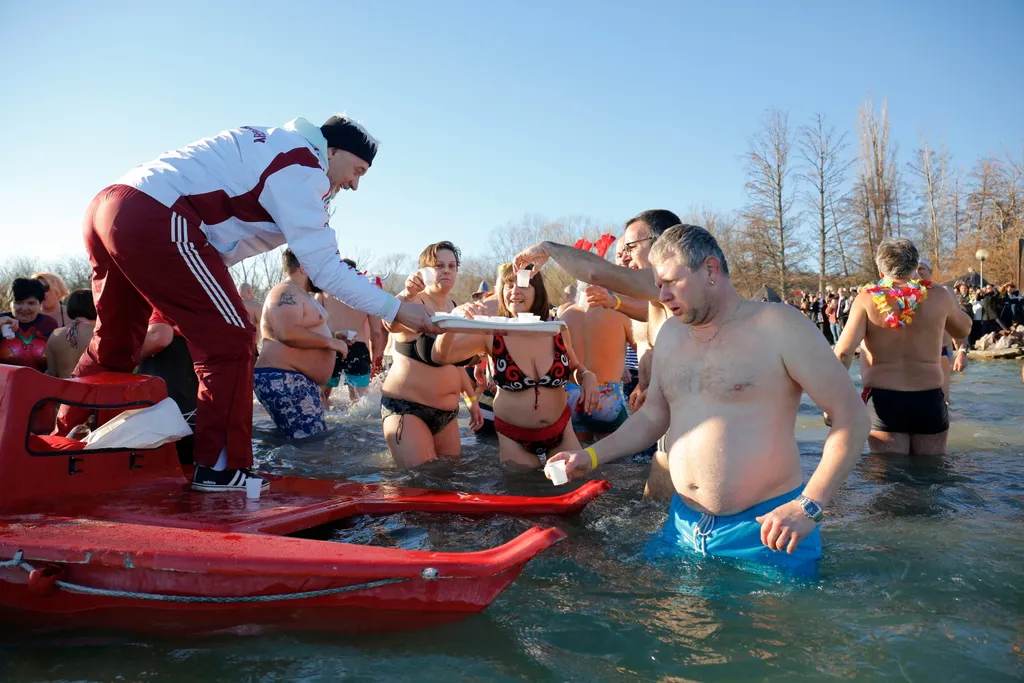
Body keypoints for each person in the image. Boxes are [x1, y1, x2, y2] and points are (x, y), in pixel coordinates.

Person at [67, 113, 438, 493]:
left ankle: (56, 435)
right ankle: (220, 470)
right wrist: (397, 309)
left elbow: (206, 247)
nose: (355, 184)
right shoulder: (304, 166)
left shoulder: (275, 144)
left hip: (111, 204)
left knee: (113, 342)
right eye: (357, 170)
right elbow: (326, 268)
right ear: (333, 150)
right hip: (157, 214)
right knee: (231, 340)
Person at [547, 225, 870, 574]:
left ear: (711, 270)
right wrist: (591, 456)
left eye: (671, 282)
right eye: (658, 285)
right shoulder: (670, 334)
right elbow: (653, 415)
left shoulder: (777, 326)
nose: (663, 294)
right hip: (682, 529)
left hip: (770, 531)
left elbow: (851, 417)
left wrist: (810, 505)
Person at [513, 209, 681, 498]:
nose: (625, 257)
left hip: (576, 396)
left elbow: (597, 272)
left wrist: (548, 249)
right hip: (623, 403)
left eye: (630, 248)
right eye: (621, 251)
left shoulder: (669, 289)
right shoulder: (651, 302)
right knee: (628, 483)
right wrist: (648, 385)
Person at [433, 266, 598, 468]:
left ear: (537, 291)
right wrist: (453, 322)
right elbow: (441, 356)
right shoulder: (491, 332)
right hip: (514, 438)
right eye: (509, 285)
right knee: (526, 492)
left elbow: (574, 369)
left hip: (561, 431)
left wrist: (587, 375)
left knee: (574, 487)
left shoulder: (556, 328)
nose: (515, 291)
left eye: (523, 285)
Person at [833, 239, 973, 455]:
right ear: (916, 266)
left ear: (881, 269)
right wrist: (948, 303)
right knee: (930, 476)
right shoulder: (939, 295)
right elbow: (963, 330)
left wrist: (833, 402)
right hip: (929, 397)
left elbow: (843, 352)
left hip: (883, 399)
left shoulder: (866, 299)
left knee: (890, 479)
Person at [381, 242, 482, 467]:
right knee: (421, 481)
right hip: (407, 409)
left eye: (452, 266)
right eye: (439, 266)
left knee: (449, 476)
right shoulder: (414, 301)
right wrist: (406, 293)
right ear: (424, 271)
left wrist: (472, 400)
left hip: (447, 415)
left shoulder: (454, 306)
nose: (447, 270)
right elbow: (390, 323)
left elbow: (455, 364)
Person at [254, 249, 348, 440]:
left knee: (307, 441)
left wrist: (336, 336)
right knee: (309, 445)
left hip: (294, 378)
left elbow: (303, 331)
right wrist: (331, 342)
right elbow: (286, 332)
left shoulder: (299, 293)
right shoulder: (285, 291)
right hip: (283, 377)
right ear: (304, 268)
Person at [559, 285, 634, 442]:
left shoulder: (566, 315)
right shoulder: (619, 314)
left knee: (579, 456)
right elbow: (644, 350)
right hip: (606, 397)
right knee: (615, 460)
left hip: (571, 397)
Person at [319, 258, 385, 402]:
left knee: (321, 397)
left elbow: (315, 324)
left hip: (331, 345)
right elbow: (376, 332)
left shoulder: (324, 291)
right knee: (358, 403)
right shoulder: (368, 293)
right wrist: (374, 357)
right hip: (358, 347)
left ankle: (325, 423)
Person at [138, 309, 199, 466]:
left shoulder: (162, 296)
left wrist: (126, 352)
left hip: (171, 368)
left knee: (170, 433)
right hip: (192, 368)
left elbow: (159, 336)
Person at [0, 278, 58, 372]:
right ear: (10, 303)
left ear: (40, 304)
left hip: (41, 383)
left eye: (31, 303)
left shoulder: (49, 324)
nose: (24, 308)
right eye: (19, 303)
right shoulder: (1, 321)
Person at [44, 289, 96, 378]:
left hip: (64, 389)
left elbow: (52, 373)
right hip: (91, 390)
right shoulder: (97, 336)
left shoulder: (55, 334)